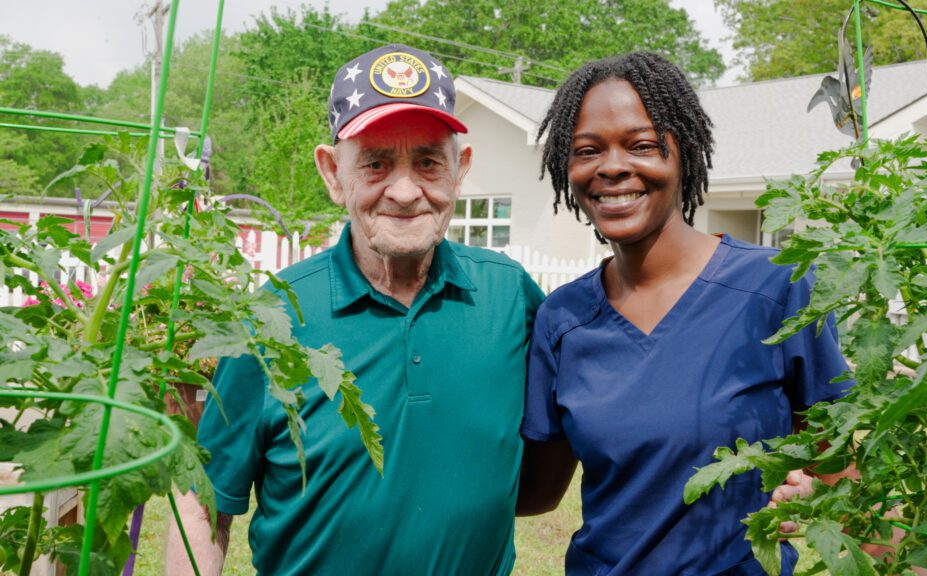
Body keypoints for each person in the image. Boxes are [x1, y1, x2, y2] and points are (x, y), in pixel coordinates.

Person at [167, 44, 544, 575]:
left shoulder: (508, 297)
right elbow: (205, 503)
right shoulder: (270, 316)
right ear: (332, 173)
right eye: (376, 163)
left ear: (461, 170)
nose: (407, 190)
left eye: (429, 161)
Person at [516, 52, 852, 575]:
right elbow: (535, 493)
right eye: (587, 151)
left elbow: (841, 461)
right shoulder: (563, 319)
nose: (611, 167)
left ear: (685, 151)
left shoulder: (777, 287)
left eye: (642, 145)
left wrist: (815, 491)